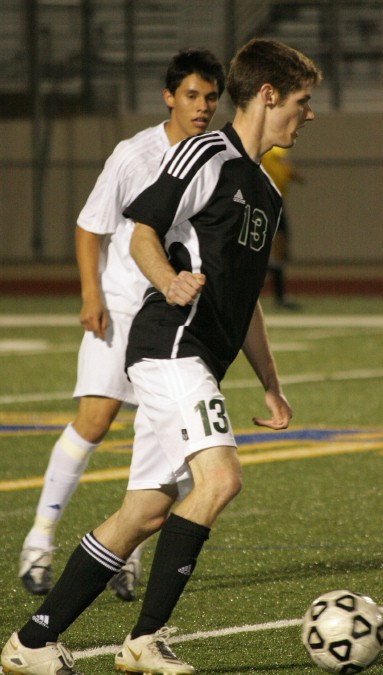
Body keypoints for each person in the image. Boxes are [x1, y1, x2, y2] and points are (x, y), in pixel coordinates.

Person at [2, 38, 322, 675]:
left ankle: (30, 644)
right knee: (221, 480)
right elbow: (144, 228)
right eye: (302, 101)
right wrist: (167, 279)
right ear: (266, 95)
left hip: (198, 356)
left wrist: (271, 383)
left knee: (144, 511)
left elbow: (244, 298)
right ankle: (144, 640)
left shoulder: (267, 190)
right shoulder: (205, 153)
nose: (308, 115)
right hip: (169, 346)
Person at [18, 48, 225, 602]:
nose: (202, 106)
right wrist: (91, 294)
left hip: (175, 316)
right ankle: (39, 541)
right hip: (123, 305)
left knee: (162, 438)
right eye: (191, 95)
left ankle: (124, 556)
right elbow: (91, 226)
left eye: (210, 97)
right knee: (95, 419)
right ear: (168, 96)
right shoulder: (134, 154)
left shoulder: (219, 158)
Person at [262, 145, 305, 308]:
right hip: (268, 201)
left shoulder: (275, 149)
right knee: (274, 249)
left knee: (278, 251)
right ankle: (278, 295)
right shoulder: (270, 149)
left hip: (274, 201)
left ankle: (279, 295)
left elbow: (286, 170)